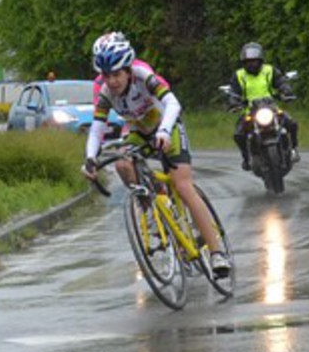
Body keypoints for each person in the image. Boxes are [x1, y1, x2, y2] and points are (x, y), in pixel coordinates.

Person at [82, 32, 232, 277]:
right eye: (106, 76)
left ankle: (217, 253)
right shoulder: (104, 90)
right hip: (139, 131)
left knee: (182, 186)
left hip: (167, 126)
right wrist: (90, 158)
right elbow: (97, 127)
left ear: (128, 70)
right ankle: (152, 204)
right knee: (122, 164)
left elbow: (173, 104)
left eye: (117, 74)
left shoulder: (143, 75)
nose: (112, 81)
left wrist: (164, 131)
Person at [226, 42, 299, 172]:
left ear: (260, 60)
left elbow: (280, 82)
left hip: (271, 108)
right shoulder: (239, 75)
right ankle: (246, 158)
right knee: (238, 134)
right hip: (249, 111)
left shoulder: (269, 70)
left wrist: (286, 91)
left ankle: (293, 149)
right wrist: (233, 102)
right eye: (248, 62)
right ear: (243, 62)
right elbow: (233, 91)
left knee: (291, 123)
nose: (252, 64)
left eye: (254, 61)